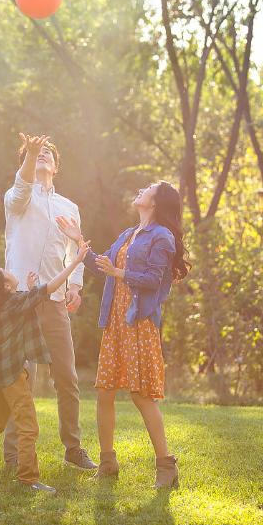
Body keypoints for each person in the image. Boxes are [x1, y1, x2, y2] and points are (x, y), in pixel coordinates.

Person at [56, 180, 190, 488]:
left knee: (141, 396)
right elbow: (99, 265)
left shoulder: (163, 237)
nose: (141, 190)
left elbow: (155, 280)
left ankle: (166, 467)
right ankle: (108, 462)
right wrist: (78, 240)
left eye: (148, 189)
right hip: (115, 323)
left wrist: (120, 274)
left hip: (138, 323)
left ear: (156, 202)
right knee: (104, 392)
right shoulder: (128, 235)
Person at [0, 238, 90, 494]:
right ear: (4, 285)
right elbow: (49, 288)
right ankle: (28, 478)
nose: (8, 271)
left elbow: (28, 299)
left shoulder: (4, 304)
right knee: (28, 424)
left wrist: (33, 287)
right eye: (4, 271)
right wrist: (76, 262)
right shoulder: (12, 303)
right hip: (12, 374)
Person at [3, 134, 96, 470]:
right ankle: (13, 455)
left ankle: (73, 449)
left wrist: (75, 284)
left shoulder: (69, 208)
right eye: (34, 153)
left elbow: (75, 249)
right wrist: (29, 154)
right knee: (20, 378)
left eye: (46, 154)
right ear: (26, 161)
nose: (41, 156)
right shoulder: (16, 198)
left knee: (67, 378)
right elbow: (22, 187)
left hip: (55, 300)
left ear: (56, 166)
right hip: (20, 301)